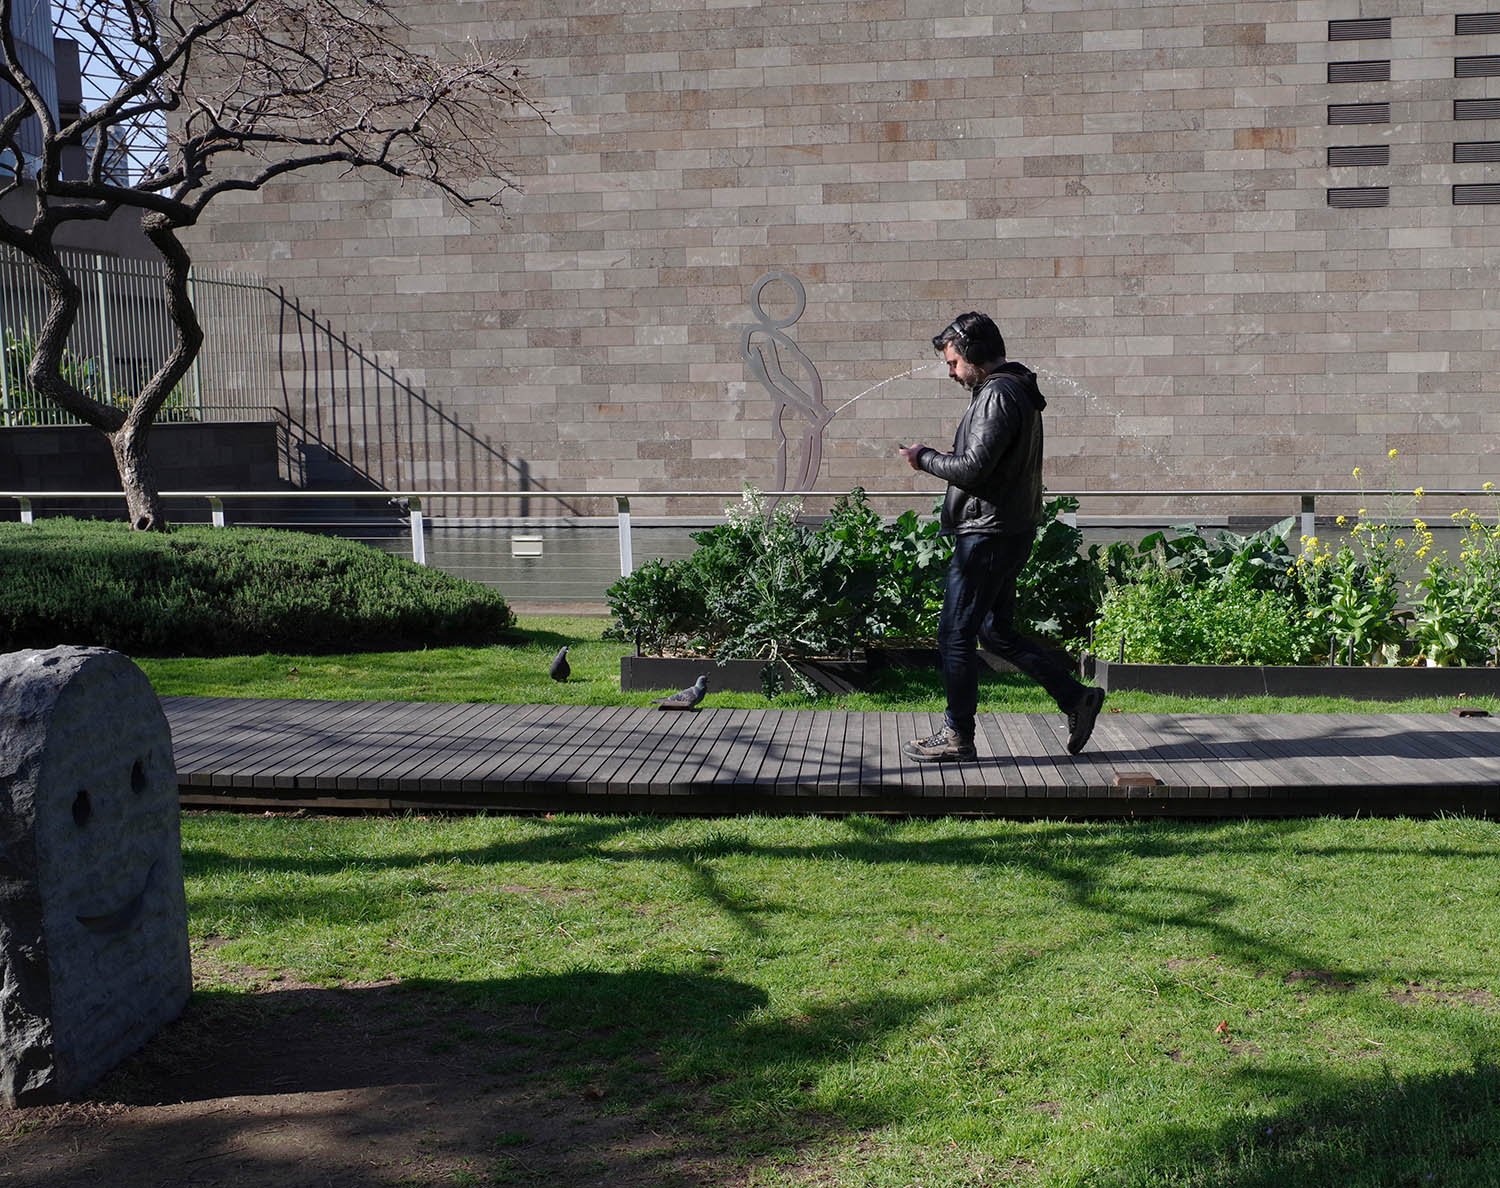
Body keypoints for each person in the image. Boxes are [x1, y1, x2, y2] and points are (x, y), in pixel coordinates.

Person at [897, 311, 1104, 761]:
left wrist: (924, 457)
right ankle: (1076, 698)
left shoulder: (997, 394)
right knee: (994, 631)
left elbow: (973, 468)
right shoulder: (1014, 390)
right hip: (1006, 528)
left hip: (986, 534)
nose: (951, 372)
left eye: (953, 363)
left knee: (954, 633)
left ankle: (957, 736)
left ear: (973, 355)